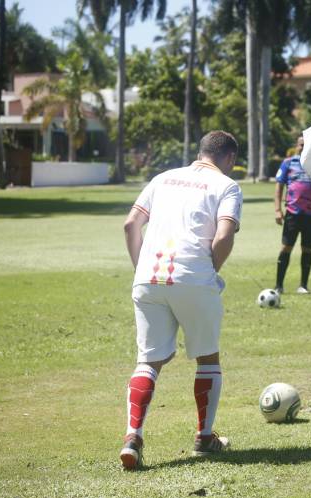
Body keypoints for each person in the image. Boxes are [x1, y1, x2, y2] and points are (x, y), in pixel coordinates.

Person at [119, 131, 242, 470]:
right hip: (194, 276)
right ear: (229, 159)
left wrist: (140, 269)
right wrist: (209, 270)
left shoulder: (162, 178)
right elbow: (225, 233)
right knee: (207, 357)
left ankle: (132, 437)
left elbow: (131, 225)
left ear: (201, 152)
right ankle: (204, 437)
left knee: (148, 361)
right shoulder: (227, 186)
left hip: (148, 277)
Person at [274, 136, 311, 294]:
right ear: (296, 146)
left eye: (307, 145)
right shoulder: (288, 163)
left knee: (307, 249)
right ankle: (279, 286)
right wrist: (277, 210)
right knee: (286, 247)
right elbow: (279, 187)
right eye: (301, 145)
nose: (303, 147)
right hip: (293, 213)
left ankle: (303, 286)